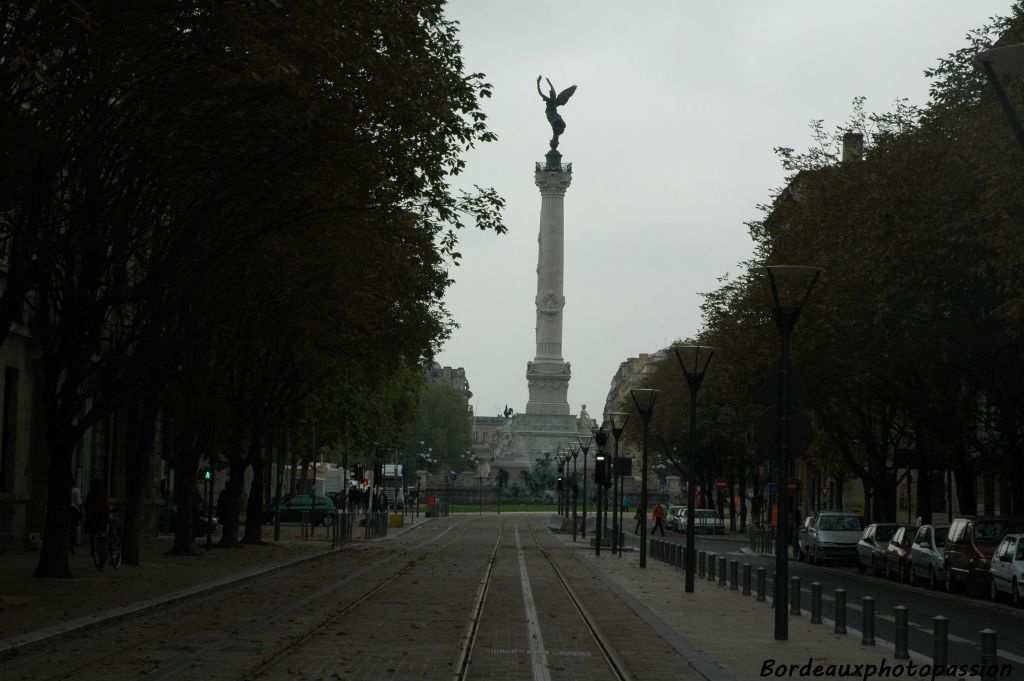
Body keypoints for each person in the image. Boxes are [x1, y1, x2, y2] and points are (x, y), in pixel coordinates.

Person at [84, 479, 109, 557]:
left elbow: (87, 506)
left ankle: (93, 550)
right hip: (99, 518)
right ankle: (99, 550)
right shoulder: (101, 495)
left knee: (93, 535)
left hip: (92, 518)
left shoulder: (90, 495)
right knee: (101, 534)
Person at [69, 477, 83, 552]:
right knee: (73, 529)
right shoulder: (76, 490)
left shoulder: (68, 490)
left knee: (69, 528)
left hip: (68, 510)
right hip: (74, 510)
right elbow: (79, 502)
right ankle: (72, 546)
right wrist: (81, 511)